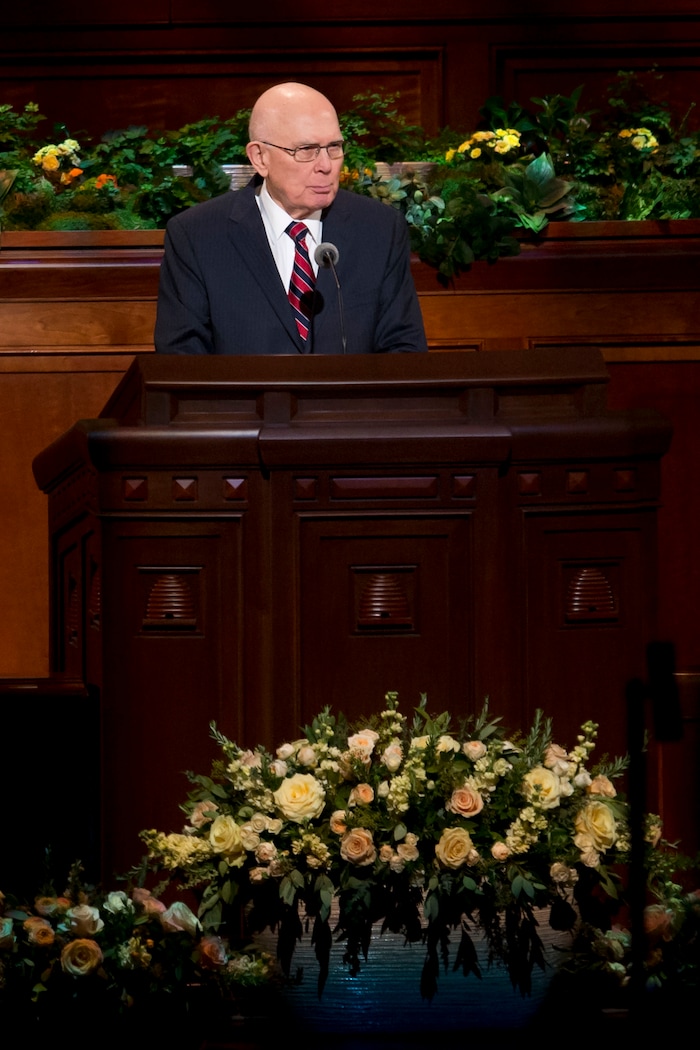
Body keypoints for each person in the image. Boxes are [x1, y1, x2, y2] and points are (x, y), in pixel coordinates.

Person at [154, 82, 428, 355]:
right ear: (260, 157)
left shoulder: (379, 230)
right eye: (306, 150)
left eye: (334, 147)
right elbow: (181, 363)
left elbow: (404, 351)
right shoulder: (198, 235)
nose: (325, 166)